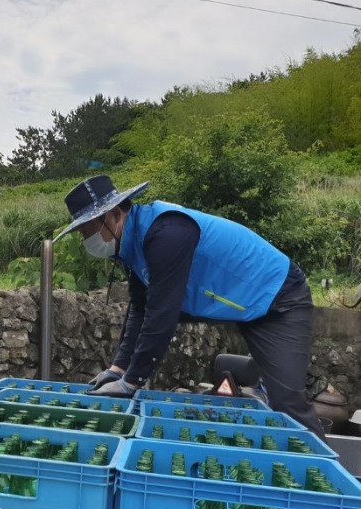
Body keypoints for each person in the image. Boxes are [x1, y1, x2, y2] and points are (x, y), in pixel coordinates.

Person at [55, 174, 324, 437]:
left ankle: (326, 475)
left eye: (89, 229)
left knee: (287, 403)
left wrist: (131, 382)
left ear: (114, 214)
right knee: (277, 400)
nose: (86, 238)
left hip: (277, 295)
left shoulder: (166, 233)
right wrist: (117, 369)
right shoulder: (130, 244)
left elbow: (161, 316)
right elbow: (140, 308)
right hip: (238, 303)